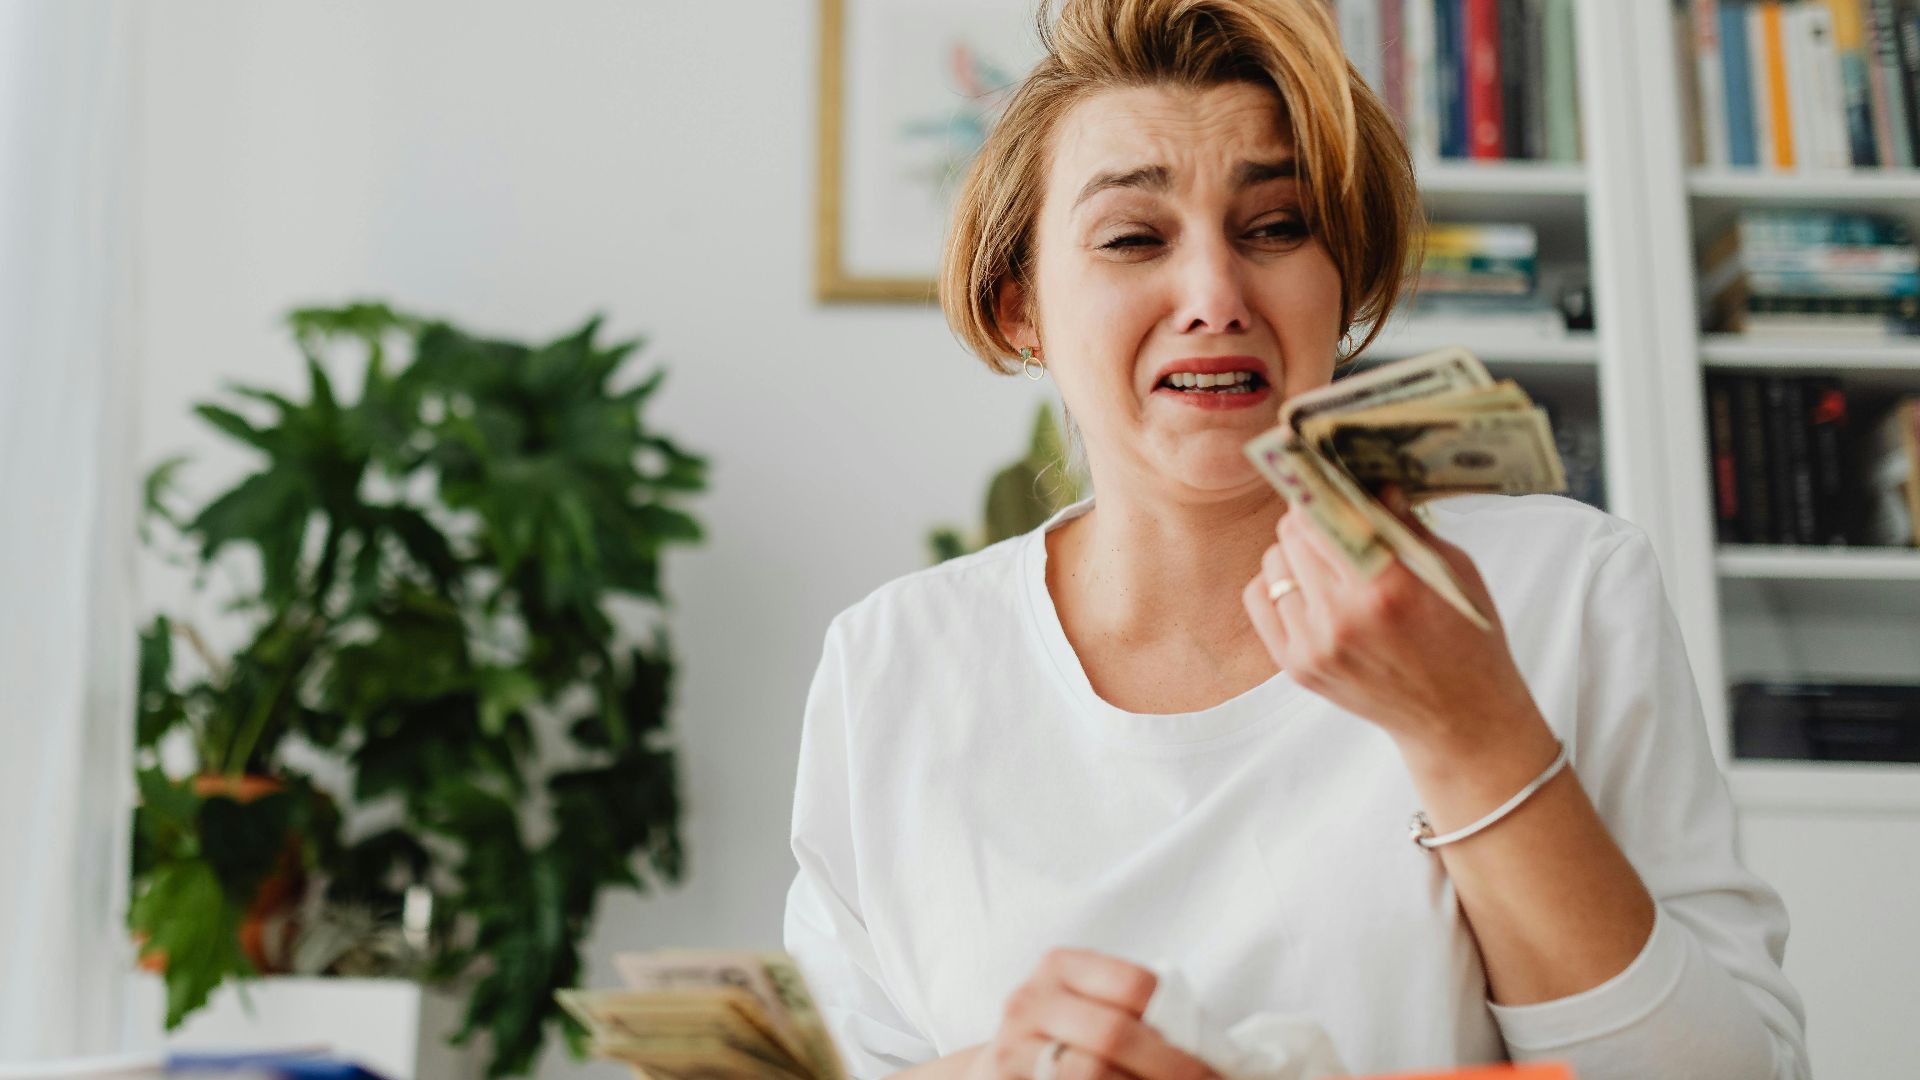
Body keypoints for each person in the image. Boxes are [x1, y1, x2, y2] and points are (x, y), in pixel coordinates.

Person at [784, 2, 1809, 1078]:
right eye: (1135, 238)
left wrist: (1474, 728)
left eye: (1275, 229)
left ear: (1344, 280)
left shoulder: (1567, 588)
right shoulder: (890, 664)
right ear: (1019, 310)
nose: (1215, 296)